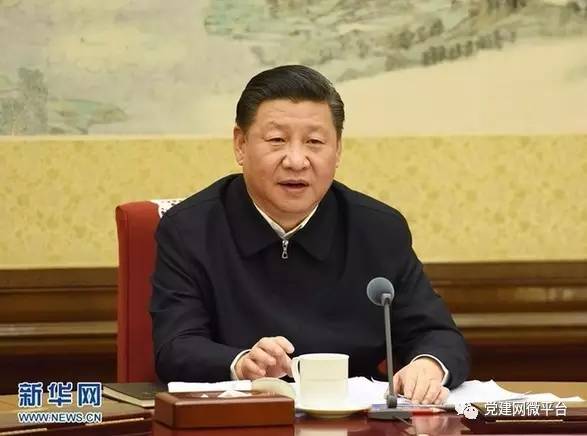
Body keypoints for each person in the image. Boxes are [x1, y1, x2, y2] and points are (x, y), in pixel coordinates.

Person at [150, 65, 469, 405]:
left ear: (338, 150)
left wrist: (428, 365)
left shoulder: (378, 229)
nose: (296, 160)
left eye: (314, 142)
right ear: (241, 145)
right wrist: (240, 363)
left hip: (355, 417)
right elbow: (176, 346)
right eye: (277, 140)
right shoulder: (190, 229)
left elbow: (436, 333)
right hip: (243, 415)